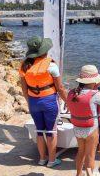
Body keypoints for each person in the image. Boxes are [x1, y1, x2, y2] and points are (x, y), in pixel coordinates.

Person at [19, 36, 67, 168]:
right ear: (45, 51)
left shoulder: (24, 66)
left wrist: (30, 102)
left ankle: (41, 159)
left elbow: (24, 89)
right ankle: (52, 161)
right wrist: (68, 101)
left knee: (39, 130)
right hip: (49, 101)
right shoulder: (51, 65)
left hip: (34, 101)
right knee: (51, 131)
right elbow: (60, 88)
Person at [66, 65, 100, 176]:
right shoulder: (95, 94)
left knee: (81, 151)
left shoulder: (72, 92)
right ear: (93, 81)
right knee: (90, 155)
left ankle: (78, 174)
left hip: (77, 127)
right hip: (91, 129)